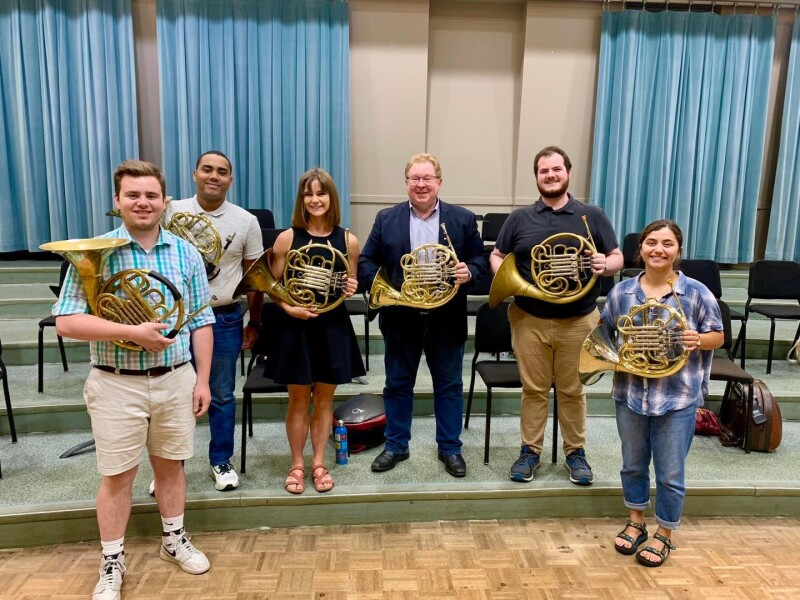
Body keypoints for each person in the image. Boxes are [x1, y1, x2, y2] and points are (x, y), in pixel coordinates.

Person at [52, 160, 215, 600]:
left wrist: (203, 381)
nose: (143, 203)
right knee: (118, 476)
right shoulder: (95, 250)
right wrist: (131, 332)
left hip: (175, 378)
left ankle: (173, 539)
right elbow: (66, 322)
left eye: (151, 195)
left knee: (171, 467)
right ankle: (112, 560)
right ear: (118, 201)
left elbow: (201, 321)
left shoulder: (185, 252)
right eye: (133, 195)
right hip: (116, 381)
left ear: (164, 201)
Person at [490, 145, 623, 485]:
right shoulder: (519, 218)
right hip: (529, 316)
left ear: (568, 173)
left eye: (556, 170)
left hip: (579, 318)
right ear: (536, 177)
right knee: (533, 390)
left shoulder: (590, 215)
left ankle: (575, 453)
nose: (550, 175)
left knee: (572, 390)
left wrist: (605, 265)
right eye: (543, 171)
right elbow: (498, 255)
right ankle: (529, 452)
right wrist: (509, 279)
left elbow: (617, 256)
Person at [600, 219, 723, 567]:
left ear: (678, 251)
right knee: (633, 465)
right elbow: (604, 331)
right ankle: (635, 522)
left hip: (677, 394)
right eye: (651, 242)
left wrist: (698, 339)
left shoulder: (696, 292)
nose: (658, 249)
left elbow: (718, 335)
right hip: (630, 392)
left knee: (670, 472)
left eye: (667, 243)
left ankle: (664, 534)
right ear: (640, 248)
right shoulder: (622, 292)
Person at [358, 152, 488, 478]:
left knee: (449, 386)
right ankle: (396, 446)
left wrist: (468, 271)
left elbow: (480, 260)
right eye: (414, 178)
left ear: (439, 182)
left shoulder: (461, 219)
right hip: (401, 316)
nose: (421, 184)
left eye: (427, 178)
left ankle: (450, 448)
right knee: (398, 384)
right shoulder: (387, 219)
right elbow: (366, 263)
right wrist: (385, 286)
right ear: (406, 183)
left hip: (447, 317)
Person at [264, 168, 365, 494]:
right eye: (309, 194)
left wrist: (350, 287)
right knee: (297, 400)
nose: (315, 199)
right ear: (302, 199)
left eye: (321, 193)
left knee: (323, 401)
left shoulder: (348, 240)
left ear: (331, 198)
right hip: (297, 325)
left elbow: (346, 283)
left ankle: (319, 463)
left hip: (331, 326)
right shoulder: (288, 238)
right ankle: (297, 464)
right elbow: (273, 287)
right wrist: (289, 307)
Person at [167, 150, 264, 491]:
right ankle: (170, 469)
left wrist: (254, 323)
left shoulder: (246, 221)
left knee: (221, 394)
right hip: (172, 318)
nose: (214, 176)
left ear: (230, 180)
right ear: (195, 173)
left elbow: (254, 278)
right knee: (171, 394)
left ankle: (220, 461)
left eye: (221, 171)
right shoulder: (170, 211)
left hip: (223, 317)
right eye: (207, 169)